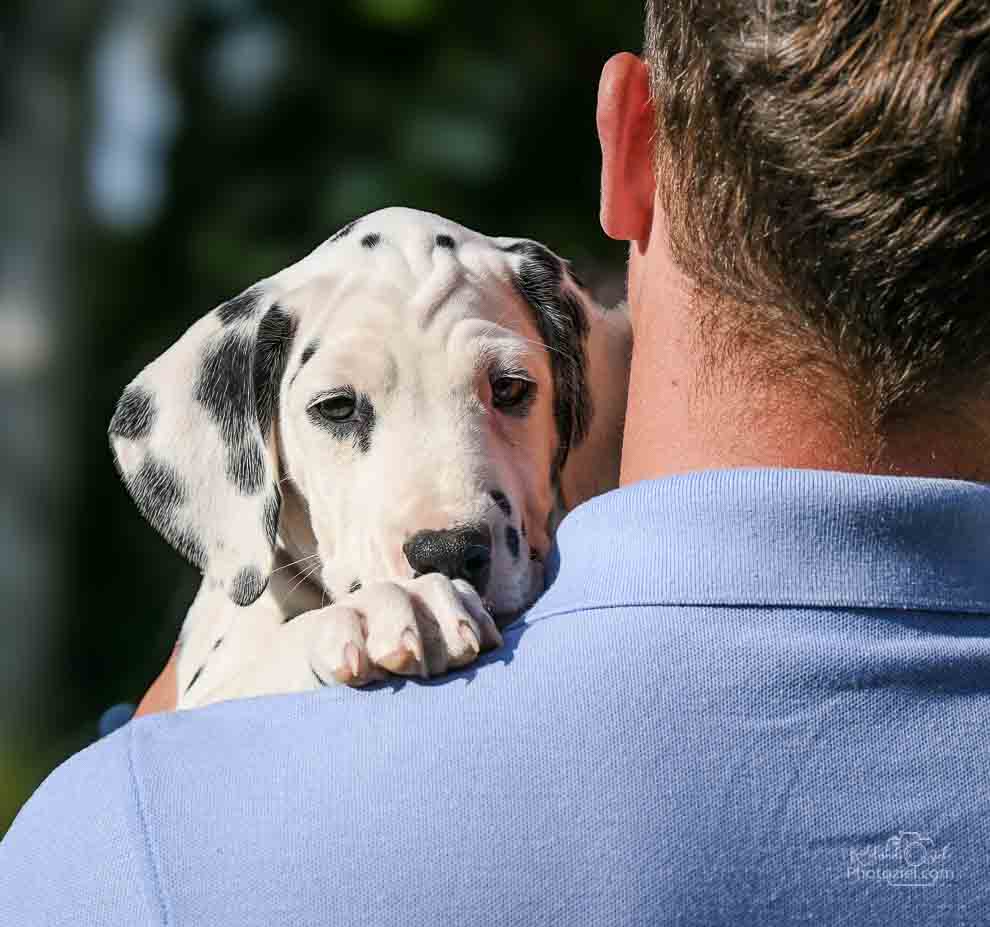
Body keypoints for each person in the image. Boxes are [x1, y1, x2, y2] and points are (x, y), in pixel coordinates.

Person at [4, 1, 990, 922]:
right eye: (341, 409)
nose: (449, 515)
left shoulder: (133, 846)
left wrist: (142, 772)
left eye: (509, 393)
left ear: (633, 143)